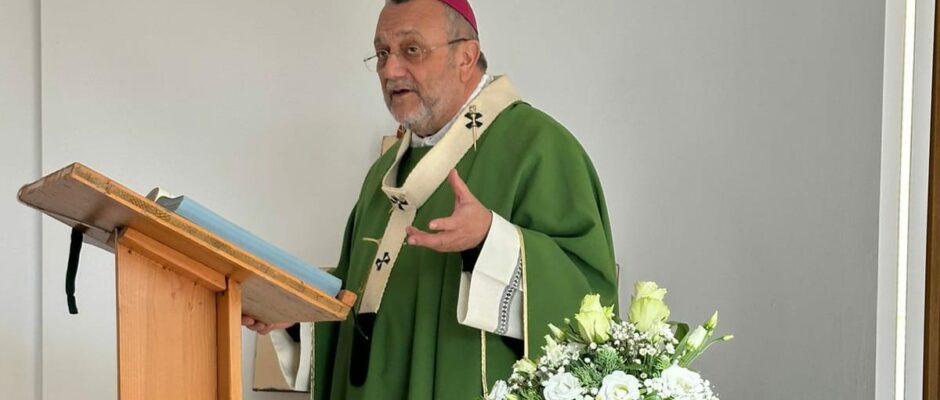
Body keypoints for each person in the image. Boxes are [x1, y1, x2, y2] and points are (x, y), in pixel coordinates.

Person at [242, 0, 618, 398]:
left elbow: (588, 297)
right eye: (382, 53)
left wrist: (490, 240)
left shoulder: (538, 147)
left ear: (466, 56)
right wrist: (296, 317)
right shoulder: (385, 172)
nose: (390, 70)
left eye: (412, 50)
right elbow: (362, 305)